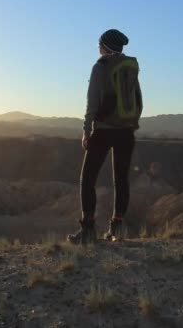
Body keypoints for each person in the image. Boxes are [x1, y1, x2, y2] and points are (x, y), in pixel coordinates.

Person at [67, 29, 143, 244]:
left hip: (104, 130)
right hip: (126, 131)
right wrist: (132, 124)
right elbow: (137, 97)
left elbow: (92, 103)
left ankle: (88, 230)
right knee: (121, 180)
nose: (98, 47)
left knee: (87, 179)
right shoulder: (129, 67)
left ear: (105, 46)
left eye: (99, 44)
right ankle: (117, 229)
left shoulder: (100, 67)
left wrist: (86, 130)